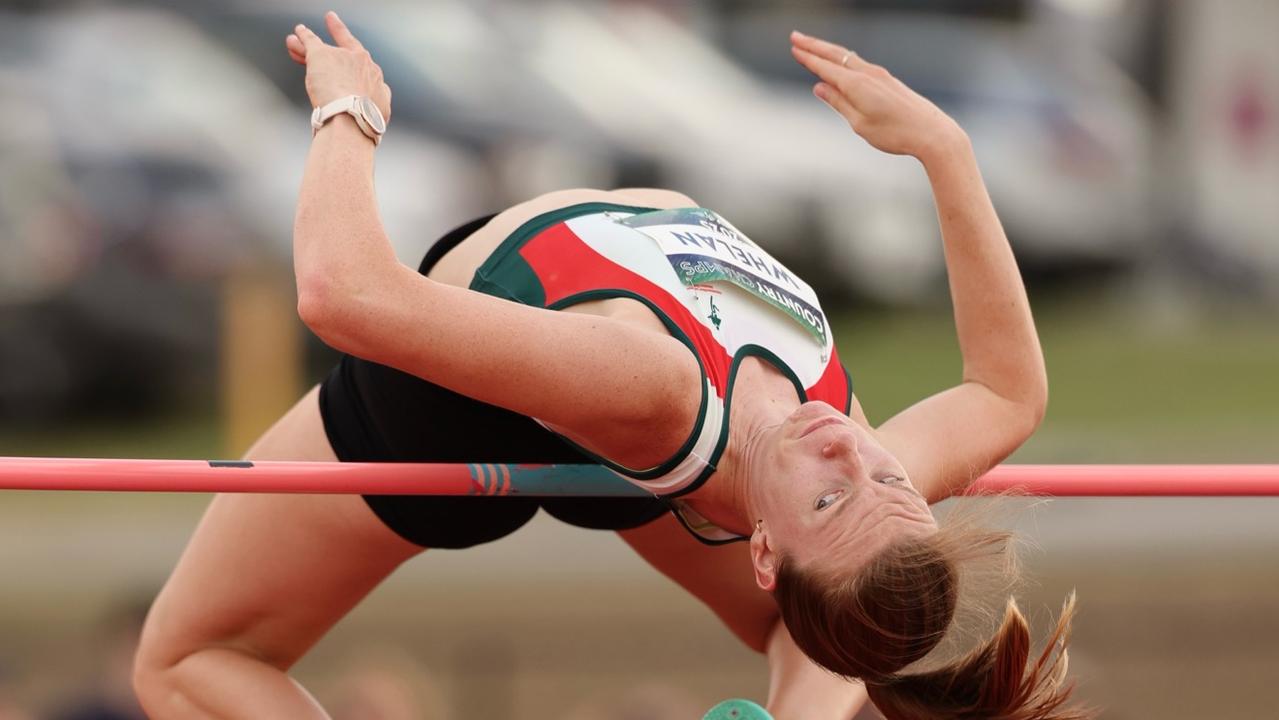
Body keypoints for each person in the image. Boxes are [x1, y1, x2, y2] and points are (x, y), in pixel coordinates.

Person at [133, 12, 1087, 720]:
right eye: (880, 473)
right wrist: (943, 149)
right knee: (826, 614)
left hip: (443, 415)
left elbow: (344, 294)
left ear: (762, 548)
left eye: (828, 499)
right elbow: (1007, 390)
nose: (848, 446)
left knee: (186, 660)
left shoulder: (648, 384)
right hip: (630, 456)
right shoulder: (865, 482)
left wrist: (349, 111)